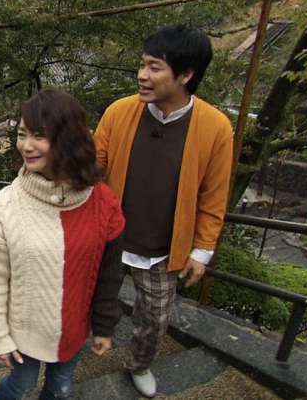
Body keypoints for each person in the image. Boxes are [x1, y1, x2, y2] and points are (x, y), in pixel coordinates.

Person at [93, 25, 233, 397]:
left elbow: (214, 195)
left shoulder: (215, 127)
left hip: (162, 249)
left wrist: (202, 250)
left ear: (185, 75)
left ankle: (139, 364)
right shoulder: (120, 111)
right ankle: (65, 360)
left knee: (155, 319)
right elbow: (92, 166)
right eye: (142, 65)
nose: (142, 75)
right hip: (109, 238)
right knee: (80, 298)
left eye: (154, 67)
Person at [0, 89, 126, 400]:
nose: (26, 146)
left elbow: (110, 273)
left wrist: (104, 326)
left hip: (74, 328)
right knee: (21, 385)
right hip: (23, 330)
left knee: (60, 389)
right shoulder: (2, 208)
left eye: (39, 136)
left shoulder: (103, 202)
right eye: (22, 134)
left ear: (68, 139)